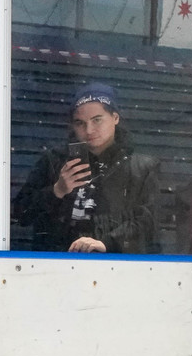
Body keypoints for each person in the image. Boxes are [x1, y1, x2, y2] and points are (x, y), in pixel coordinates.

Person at [14, 82, 159, 254]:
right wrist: (56, 191)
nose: (89, 130)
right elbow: (20, 214)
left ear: (115, 118)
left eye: (97, 120)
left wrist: (108, 243)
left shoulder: (142, 167)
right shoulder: (53, 161)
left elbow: (148, 221)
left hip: (118, 269)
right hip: (56, 267)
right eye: (80, 123)